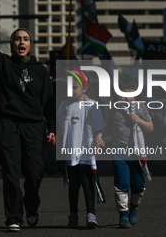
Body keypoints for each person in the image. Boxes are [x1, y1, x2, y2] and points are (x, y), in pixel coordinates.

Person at [0, 0, 55, 232]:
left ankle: (31, 207)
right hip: (8, 124)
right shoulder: (4, 64)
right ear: (12, 44)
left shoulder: (41, 71)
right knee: (11, 173)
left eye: (25, 39)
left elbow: (48, 103)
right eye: (17, 39)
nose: (21, 43)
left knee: (34, 173)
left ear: (30, 44)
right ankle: (13, 216)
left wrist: (51, 128)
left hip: (33, 126)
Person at [95, 73, 154, 228]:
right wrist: (100, 134)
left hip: (137, 151)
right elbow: (109, 127)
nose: (127, 98)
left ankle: (134, 206)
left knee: (138, 185)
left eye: (130, 94)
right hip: (118, 149)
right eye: (122, 95)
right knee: (121, 183)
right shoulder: (112, 107)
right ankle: (123, 215)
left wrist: (140, 120)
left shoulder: (141, 107)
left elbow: (150, 127)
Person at [58, 71, 105, 229]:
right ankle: (73, 214)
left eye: (75, 87)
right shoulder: (64, 105)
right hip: (71, 151)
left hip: (87, 150)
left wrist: (98, 137)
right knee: (73, 184)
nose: (71, 90)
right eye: (69, 87)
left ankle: (91, 214)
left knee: (86, 182)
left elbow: (99, 126)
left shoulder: (92, 105)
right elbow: (61, 126)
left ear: (85, 88)